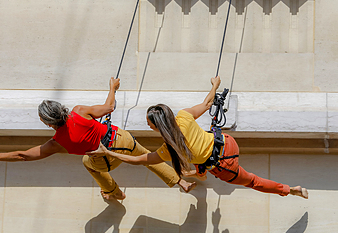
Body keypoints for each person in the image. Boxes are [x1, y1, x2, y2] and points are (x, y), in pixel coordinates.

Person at [0, 77, 195, 200]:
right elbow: (110, 106)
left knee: (88, 164)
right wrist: (112, 88)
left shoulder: (56, 142)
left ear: (48, 122)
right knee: (148, 156)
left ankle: (114, 192)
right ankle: (181, 181)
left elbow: (24, 155)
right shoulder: (79, 111)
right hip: (121, 140)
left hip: (104, 159)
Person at [88, 77, 308, 199]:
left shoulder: (168, 149)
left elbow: (138, 160)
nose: (147, 125)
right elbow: (207, 103)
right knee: (199, 169)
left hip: (224, 164)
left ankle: (291, 189)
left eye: (149, 123)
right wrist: (214, 85)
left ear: (157, 126)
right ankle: (196, 174)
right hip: (227, 143)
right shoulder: (183, 116)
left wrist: (108, 152)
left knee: (252, 181)